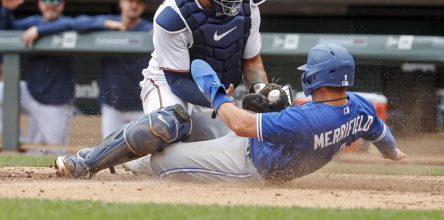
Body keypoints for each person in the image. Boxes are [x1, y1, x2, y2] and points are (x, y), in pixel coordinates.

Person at [53, 0, 275, 178]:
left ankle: (136, 162)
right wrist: (217, 98)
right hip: (168, 80)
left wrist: (261, 90)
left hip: (215, 91)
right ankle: (87, 162)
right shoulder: (173, 14)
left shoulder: (248, 5)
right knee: (169, 124)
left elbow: (252, 61)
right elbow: (178, 80)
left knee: (238, 148)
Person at [54, 43, 406, 183]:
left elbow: (239, 124)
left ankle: (117, 161)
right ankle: (110, 155)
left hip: (251, 168)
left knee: (161, 161)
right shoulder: (358, 106)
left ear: (318, 77)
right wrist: (394, 154)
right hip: (256, 151)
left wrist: (215, 91)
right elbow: (380, 134)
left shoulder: (308, 118)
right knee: (176, 126)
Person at [20, 0, 153, 139]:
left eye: (139, 2)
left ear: (144, 6)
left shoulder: (149, 28)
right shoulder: (108, 22)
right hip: (112, 105)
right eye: (130, 0)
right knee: (109, 151)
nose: (134, 5)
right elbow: (77, 23)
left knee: (141, 153)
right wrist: (106, 24)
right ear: (122, 2)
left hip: (141, 104)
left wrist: (157, 30)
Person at [0, 0, 74, 150]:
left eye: (55, 0)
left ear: (62, 4)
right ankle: (18, 140)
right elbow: (8, 29)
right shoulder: (33, 22)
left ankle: (31, 150)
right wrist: (7, 11)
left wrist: (39, 30)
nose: (51, 4)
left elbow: (71, 24)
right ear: (40, 4)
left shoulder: (68, 23)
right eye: (46, 0)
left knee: (54, 152)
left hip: (55, 103)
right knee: (1, 91)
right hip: (31, 93)